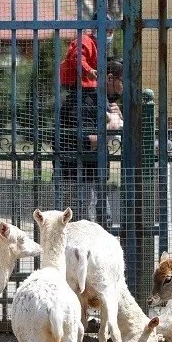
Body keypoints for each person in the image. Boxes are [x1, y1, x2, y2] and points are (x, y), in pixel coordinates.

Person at [57, 21, 123, 224]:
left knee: (103, 224)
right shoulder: (85, 99)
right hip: (80, 177)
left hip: (94, 175)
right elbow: (84, 140)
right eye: (123, 80)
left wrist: (115, 117)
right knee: (87, 229)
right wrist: (111, 128)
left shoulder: (100, 100)